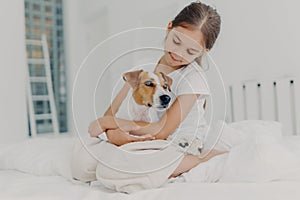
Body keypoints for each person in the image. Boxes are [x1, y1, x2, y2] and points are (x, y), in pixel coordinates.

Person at [72, 1, 227, 191]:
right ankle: (132, 159)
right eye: (176, 41)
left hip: (175, 143)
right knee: (82, 162)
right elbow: (111, 113)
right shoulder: (144, 64)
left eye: (191, 51)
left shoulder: (194, 78)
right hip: (143, 137)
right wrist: (115, 135)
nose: (178, 53)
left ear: (205, 51)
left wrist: (106, 124)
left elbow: (161, 131)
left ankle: (201, 159)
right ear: (169, 28)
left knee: (116, 171)